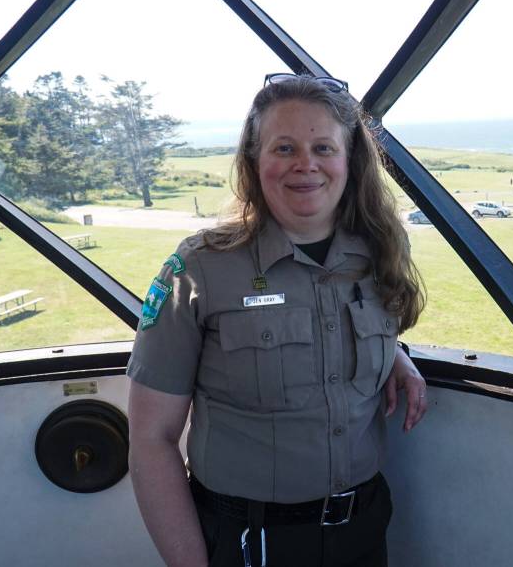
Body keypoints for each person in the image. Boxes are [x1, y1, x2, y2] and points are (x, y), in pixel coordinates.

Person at [127, 73, 428, 567]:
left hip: (364, 528)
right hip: (251, 542)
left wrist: (396, 356)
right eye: (283, 148)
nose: (305, 165)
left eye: (323, 147)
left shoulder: (378, 255)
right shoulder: (201, 268)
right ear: (255, 161)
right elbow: (151, 439)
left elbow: (337, 329)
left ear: (350, 161)